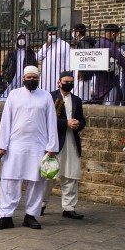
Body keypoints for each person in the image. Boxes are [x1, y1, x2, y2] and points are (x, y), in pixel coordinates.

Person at [0, 65, 58, 230]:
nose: (31, 80)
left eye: (34, 77)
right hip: (15, 145)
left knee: (36, 182)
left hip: (38, 146)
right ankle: (6, 216)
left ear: (38, 78)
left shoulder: (46, 97)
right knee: (9, 180)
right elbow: (6, 120)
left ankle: (31, 215)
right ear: (23, 78)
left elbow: (51, 122)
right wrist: (2, 144)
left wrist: (52, 146)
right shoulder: (14, 95)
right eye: (28, 77)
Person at [46, 71, 86, 220]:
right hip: (55, 142)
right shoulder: (50, 97)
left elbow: (82, 120)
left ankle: (69, 207)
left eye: (71, 81)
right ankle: (41, 204)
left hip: (71, 141)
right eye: (66, 81)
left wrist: (78, 124)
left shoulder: (77, 100)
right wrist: (66, 123)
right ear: (59, 82)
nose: (69, 83)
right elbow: (47, 120)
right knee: (49, 174)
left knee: (71, 175)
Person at [93, 24, 125, 104]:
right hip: (110, 83)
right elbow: (123, 61)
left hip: (99, 81)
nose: (116, 37)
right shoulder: (110, 45)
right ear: (113, 34)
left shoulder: (97, 44)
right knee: (110, 105)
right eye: (117, 35)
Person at [2, 31, 38, 96]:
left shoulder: (30, 52)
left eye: (23, 38)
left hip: (25, 76)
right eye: (20, 38)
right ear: (17, 39)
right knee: (10, 94)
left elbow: (34, 64)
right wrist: (6, 75)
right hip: (12, 76)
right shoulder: (11, 52)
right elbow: (5, 66)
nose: (21, 40)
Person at [38, 26, 72, 93]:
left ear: (58, 34)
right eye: (50, 35)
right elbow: (38, 57)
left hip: (58, 74)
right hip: (46, 75)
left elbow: (68, 62)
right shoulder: (46, 45)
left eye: (53, 34)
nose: (52, 36)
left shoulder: (65, 45)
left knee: (58, 94)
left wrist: (67, 74)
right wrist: (46, 46)